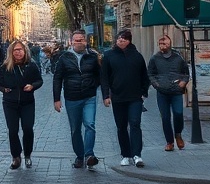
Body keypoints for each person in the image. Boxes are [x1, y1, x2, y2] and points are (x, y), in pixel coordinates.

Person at [53, 30, 102, 170]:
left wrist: (95, 86)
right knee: (75, 129)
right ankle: (80, 156)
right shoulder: (64, 58)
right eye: (76, 40)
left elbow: (100, 75)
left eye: (81, 40)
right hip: (72, 98)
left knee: (90, 124)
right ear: (71, 42)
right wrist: (56, 99)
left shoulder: (93, 57)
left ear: (86, 41)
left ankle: (89, 155)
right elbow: (57, 78)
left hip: (89, 97)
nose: (79, 42)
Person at [101, 29, 150, 167]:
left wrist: (143, 92)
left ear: (129, 41)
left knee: (135, 124)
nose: (121, 40)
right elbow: (104, 78)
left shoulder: (137, 56)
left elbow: (144, 76)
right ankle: (126, 155)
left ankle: (137, 155)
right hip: (118, 97)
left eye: (124, 38)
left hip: (135, 97)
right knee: (121, 127)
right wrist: (106, 95)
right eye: (119, 38)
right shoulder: (109, 56)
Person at [0, 39, 44, 169]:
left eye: (20, 50)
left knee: (28, 128)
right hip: (10, 103)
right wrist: (4, 89)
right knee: (13, 130)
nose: (18, 52)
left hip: (27, 102)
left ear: (25, 51)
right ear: (11, 52)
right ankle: (16, 157)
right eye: (16, 50)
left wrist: (32, 86)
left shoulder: (31, 65)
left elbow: (39, 81)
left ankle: (27, 154)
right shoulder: (5, 67)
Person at [147, 34, 189, 151]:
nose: (162, 46)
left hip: (176, 91)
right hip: (162, 92)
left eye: (164, 43)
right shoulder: (155, 58)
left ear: (169, 44)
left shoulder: (178, 58)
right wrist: (156, 84)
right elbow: (150, 73)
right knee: (165, 117)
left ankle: (178, 135)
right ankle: (169, 142)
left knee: (178, 113)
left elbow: (186, 72)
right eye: (160, 44)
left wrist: (183, 82)